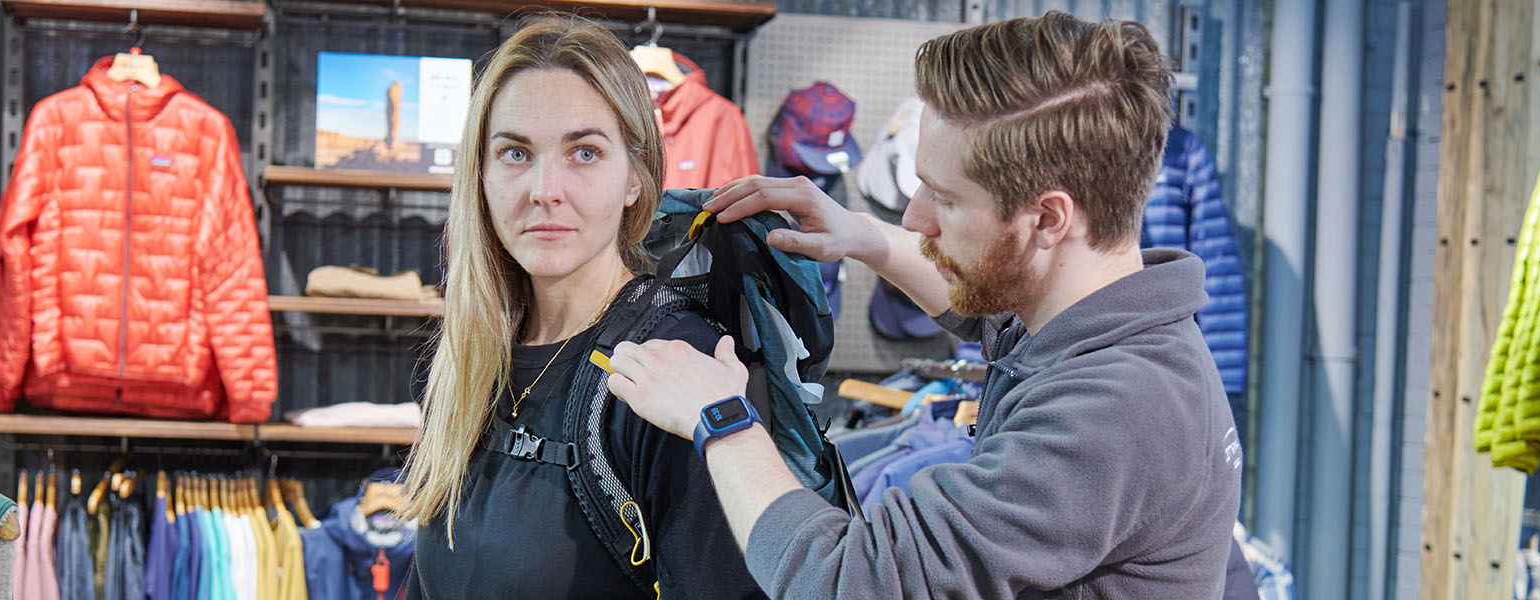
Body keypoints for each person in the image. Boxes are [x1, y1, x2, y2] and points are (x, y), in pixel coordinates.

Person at [604, 12, 1243, 598]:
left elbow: (845, 581)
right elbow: (994, 315)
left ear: (1048, 218)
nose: (914, 216)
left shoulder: (1113, 412)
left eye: (944, 197)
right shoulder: (1103, 324)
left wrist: (722, 420)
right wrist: (864, 236)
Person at [397, 16, 763, 599]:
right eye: (515, 152)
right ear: (482, 175)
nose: (545, 188)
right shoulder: (467, 360)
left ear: (635, 179)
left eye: (585, 153)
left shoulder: (677, 370)